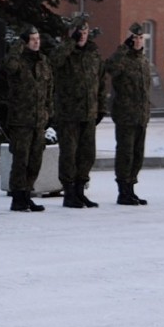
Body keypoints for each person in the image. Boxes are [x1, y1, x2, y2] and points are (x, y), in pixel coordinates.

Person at [49, 20, 106, 208]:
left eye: (85, 31)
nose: (83, 34)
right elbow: (54, 61)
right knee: (69, 155)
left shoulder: (93, 53)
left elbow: (101, 81)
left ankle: (81, 191)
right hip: (68, 114)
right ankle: (69, 193)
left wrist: (101, 107)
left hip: (89, 113)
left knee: (87, 154)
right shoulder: (65, 51)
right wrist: (70, 43)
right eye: (79, 31)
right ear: (71, 32)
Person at [2, 26, 54, 212]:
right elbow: (8, 66)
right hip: (21, 120)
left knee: (35, 160)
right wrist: (17, 46)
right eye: (32, 39)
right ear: (25, 42)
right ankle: (18, 197)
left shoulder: (43, 61)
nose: (36, 42)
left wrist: (49, 113)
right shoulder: (18, 61)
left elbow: (49, 90)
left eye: (38, 38)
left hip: (39, 120)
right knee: (21, 160)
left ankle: (27, 193)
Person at [105, 23, 152, 205]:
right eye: (135, 38)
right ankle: (122, 190)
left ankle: (131, 188)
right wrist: (123, 48)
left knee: (138, 155)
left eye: (141, 38)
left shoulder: (143, 61)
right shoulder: (123, 59)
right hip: (125, 115)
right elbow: (110, 68)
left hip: (141, 116)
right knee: (125, 154)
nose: (138, 41)